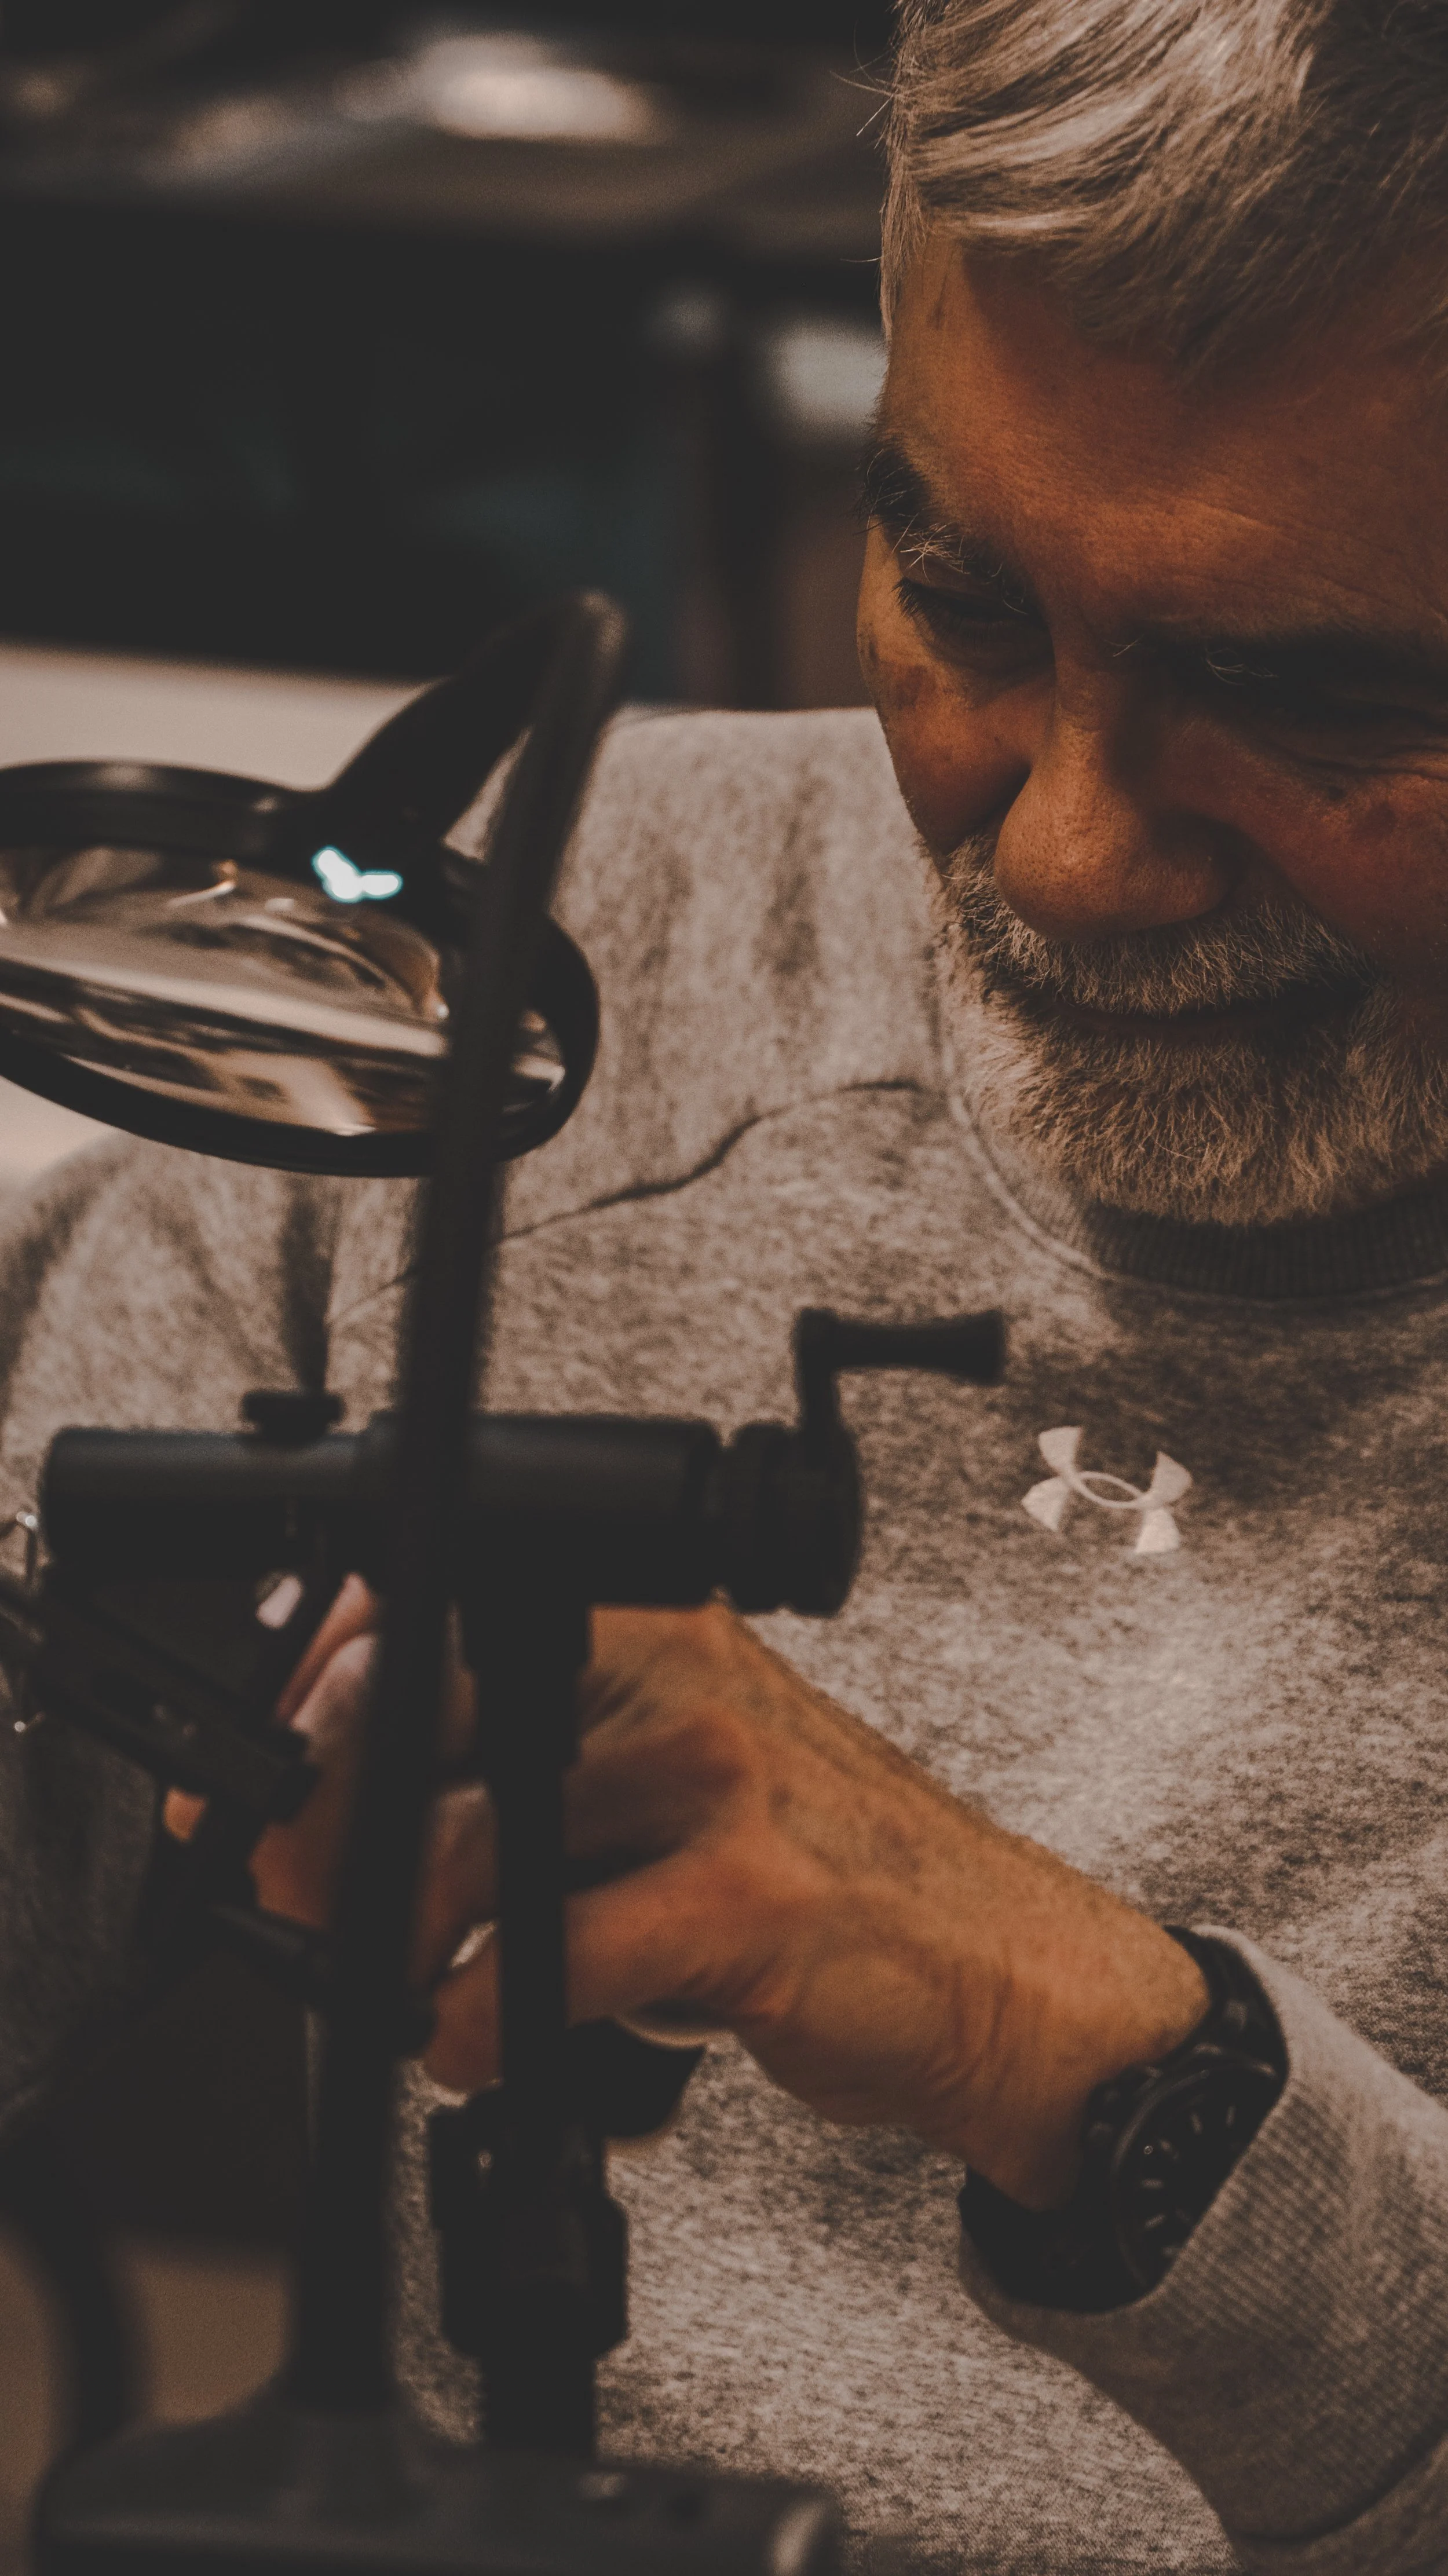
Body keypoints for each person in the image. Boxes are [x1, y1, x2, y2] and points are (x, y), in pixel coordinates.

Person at [7, 0, 1448, 2566]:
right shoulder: (538, 964)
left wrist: (1093, 2045)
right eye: (956, 593)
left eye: (1320, 691)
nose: (1068, 850)